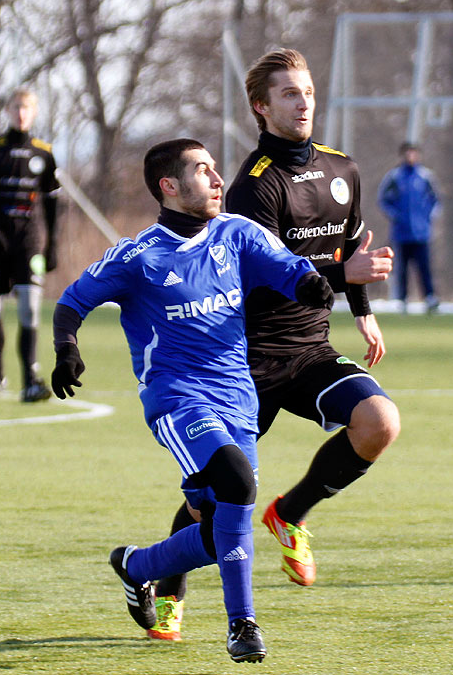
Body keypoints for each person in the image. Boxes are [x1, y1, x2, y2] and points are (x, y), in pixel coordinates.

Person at [146, 49, 401, 642]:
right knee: (211, 501)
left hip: (310, 350)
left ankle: (290, 513)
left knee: (380, 422)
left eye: (307, 90)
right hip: (246, 358)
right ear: (262, 108)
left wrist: (362, 310)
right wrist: (346, 280)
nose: (303, 101)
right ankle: (169, 582)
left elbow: (350, 246)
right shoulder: (251, 190)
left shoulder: (345, 169)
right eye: (288, 93)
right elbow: (263, 276)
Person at [50, 138, 334, 663]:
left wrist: (312, 285)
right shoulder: (139, 256)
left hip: (238, 400)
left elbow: (288, 269)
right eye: (204, 170)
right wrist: (66, 349)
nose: (218, 179)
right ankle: (242, 625)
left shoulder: (237, 234)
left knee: (222, 527)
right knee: (237, 483)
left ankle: (136, 567)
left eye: (215, 169)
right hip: (178, 400)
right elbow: (72, 301)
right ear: (170, 187)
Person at [0, 88, 61, 402]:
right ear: (8, 110)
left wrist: (52, 245)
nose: (21, 114)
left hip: (29, 241)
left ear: (34, 112)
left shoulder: (44, 152)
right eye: (16, 108)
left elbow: (53, 204)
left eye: (26, 108)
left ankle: (30, 380)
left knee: (30, 309)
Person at [377, 141, 441, 313]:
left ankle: (429, 297)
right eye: (407, 153)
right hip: (402, 232)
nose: (410, 156)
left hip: (421, 233)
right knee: (402, 268)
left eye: (413, 153)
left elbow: (436, 200)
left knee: (424, 267)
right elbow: (383, 200)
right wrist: (395, 216)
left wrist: (428, 218)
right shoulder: (395, 177)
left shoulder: (425, 176)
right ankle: (403, 299)